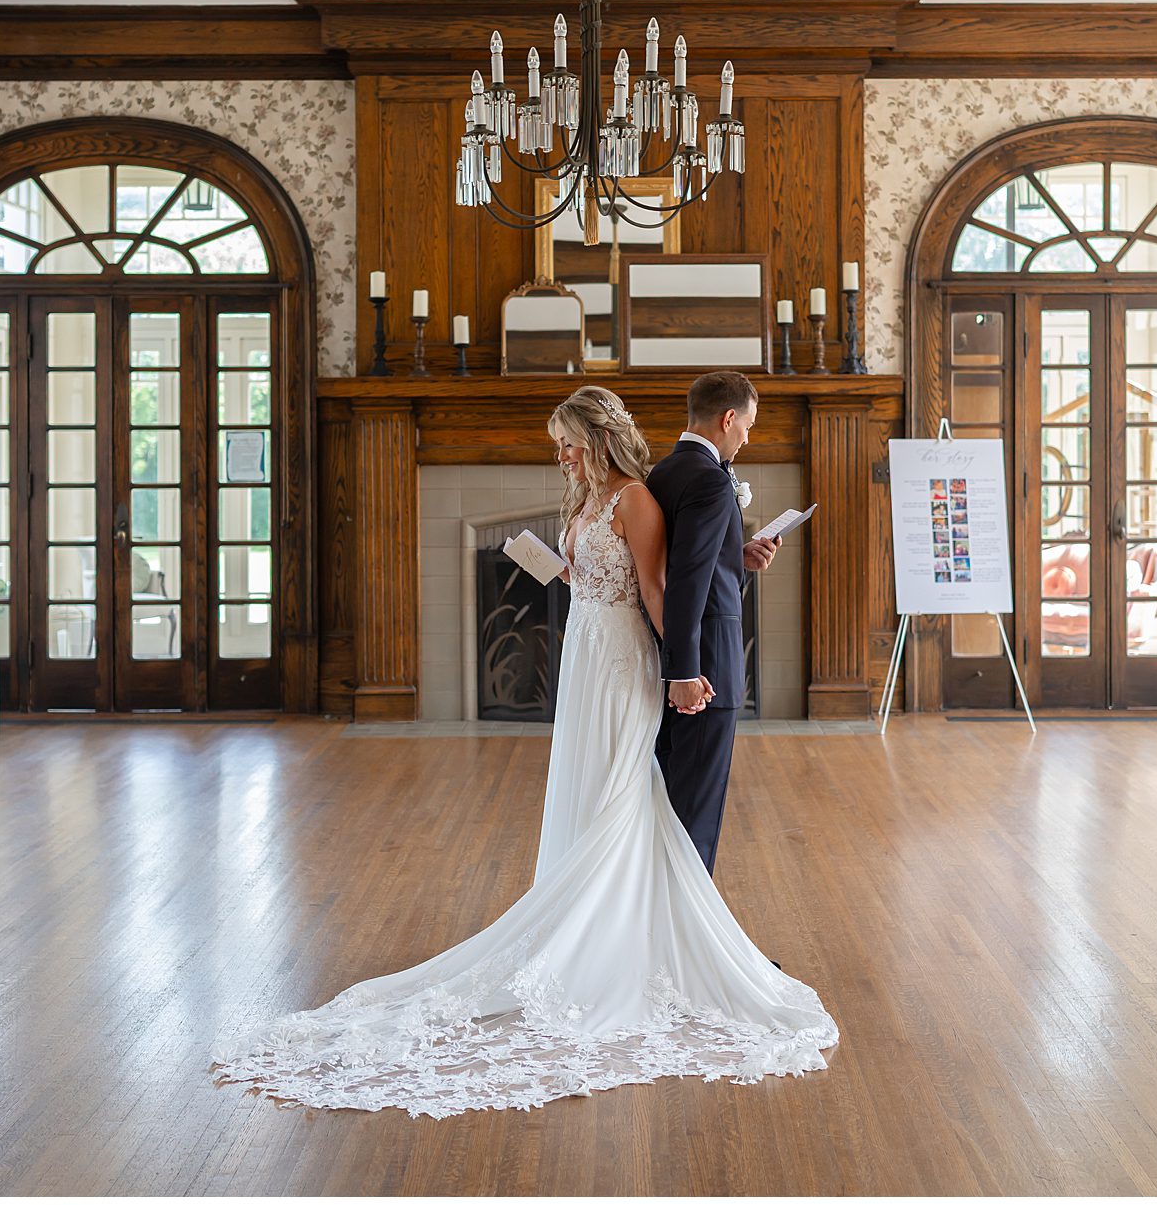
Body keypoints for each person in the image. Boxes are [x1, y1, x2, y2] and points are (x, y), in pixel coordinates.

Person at [212, 385, 835, 1118]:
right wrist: (562, 570)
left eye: (567, 443)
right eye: (557, 444)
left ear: (595, 439)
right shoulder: (594, 499)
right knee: (595, 792)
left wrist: (681, 669)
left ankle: (642, 947)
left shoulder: (641, 493)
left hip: (622, 662)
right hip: (586, 655)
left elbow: (660, 586)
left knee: (624, 797)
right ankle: (619, 937)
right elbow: (628, 573)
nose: (560, 455)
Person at [644, 370, 780, 873]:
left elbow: (679, 562)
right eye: (747, 425)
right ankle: (687, 919)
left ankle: (662, 909)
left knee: (672, 797)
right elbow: (685, 581)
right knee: (696, 812)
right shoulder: (711, 479)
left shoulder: (662, 473)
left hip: (670, 658)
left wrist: (736, 556)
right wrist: (685, 672)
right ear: (727, 419)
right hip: (704, 671)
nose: (747, 436)